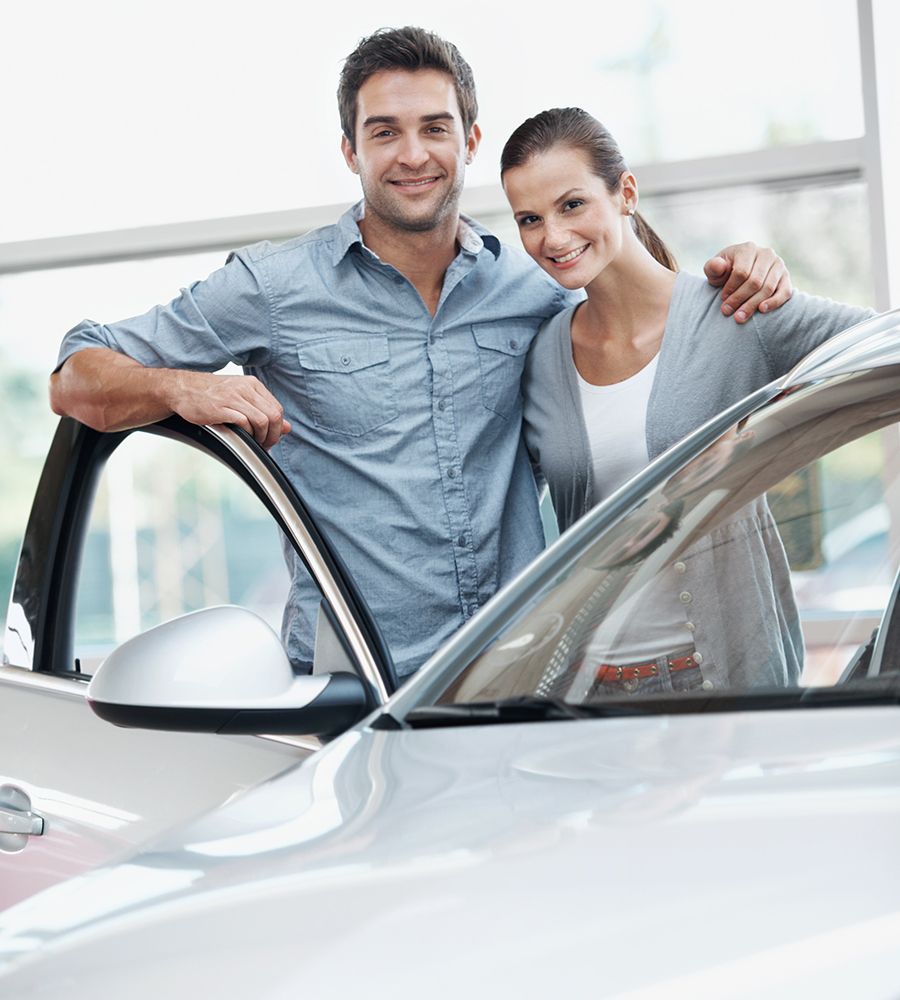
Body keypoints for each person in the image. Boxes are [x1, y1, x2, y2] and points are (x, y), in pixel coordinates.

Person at [49, 29, 792, 683]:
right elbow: (76, 373)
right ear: (351, 150)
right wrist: (183, 388)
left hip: (518, 678)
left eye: (435, 128)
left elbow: (645, 316)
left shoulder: (532, 288)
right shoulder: (272, 288)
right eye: (384, 132)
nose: (413, 155)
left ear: (469, 141)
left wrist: (744, 271)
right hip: (356, 690)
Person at [500, 106, 875, 694]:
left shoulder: (737, 312)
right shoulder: (541, 357)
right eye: (529, 218)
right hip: (585, 691)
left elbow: (882, 349)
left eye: (572, 204)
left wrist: (770, 264)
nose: (552, 236)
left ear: (625, 192)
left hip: (725, 684)